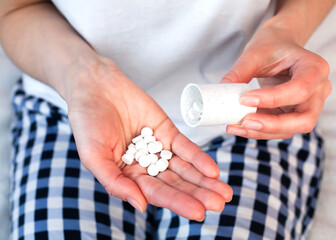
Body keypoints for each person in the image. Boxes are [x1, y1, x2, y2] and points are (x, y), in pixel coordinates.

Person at [0, 0, 333, 239]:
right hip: (72, 106)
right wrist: (82, 78)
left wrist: (284, 30)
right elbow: (13, 9)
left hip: (247, 113)